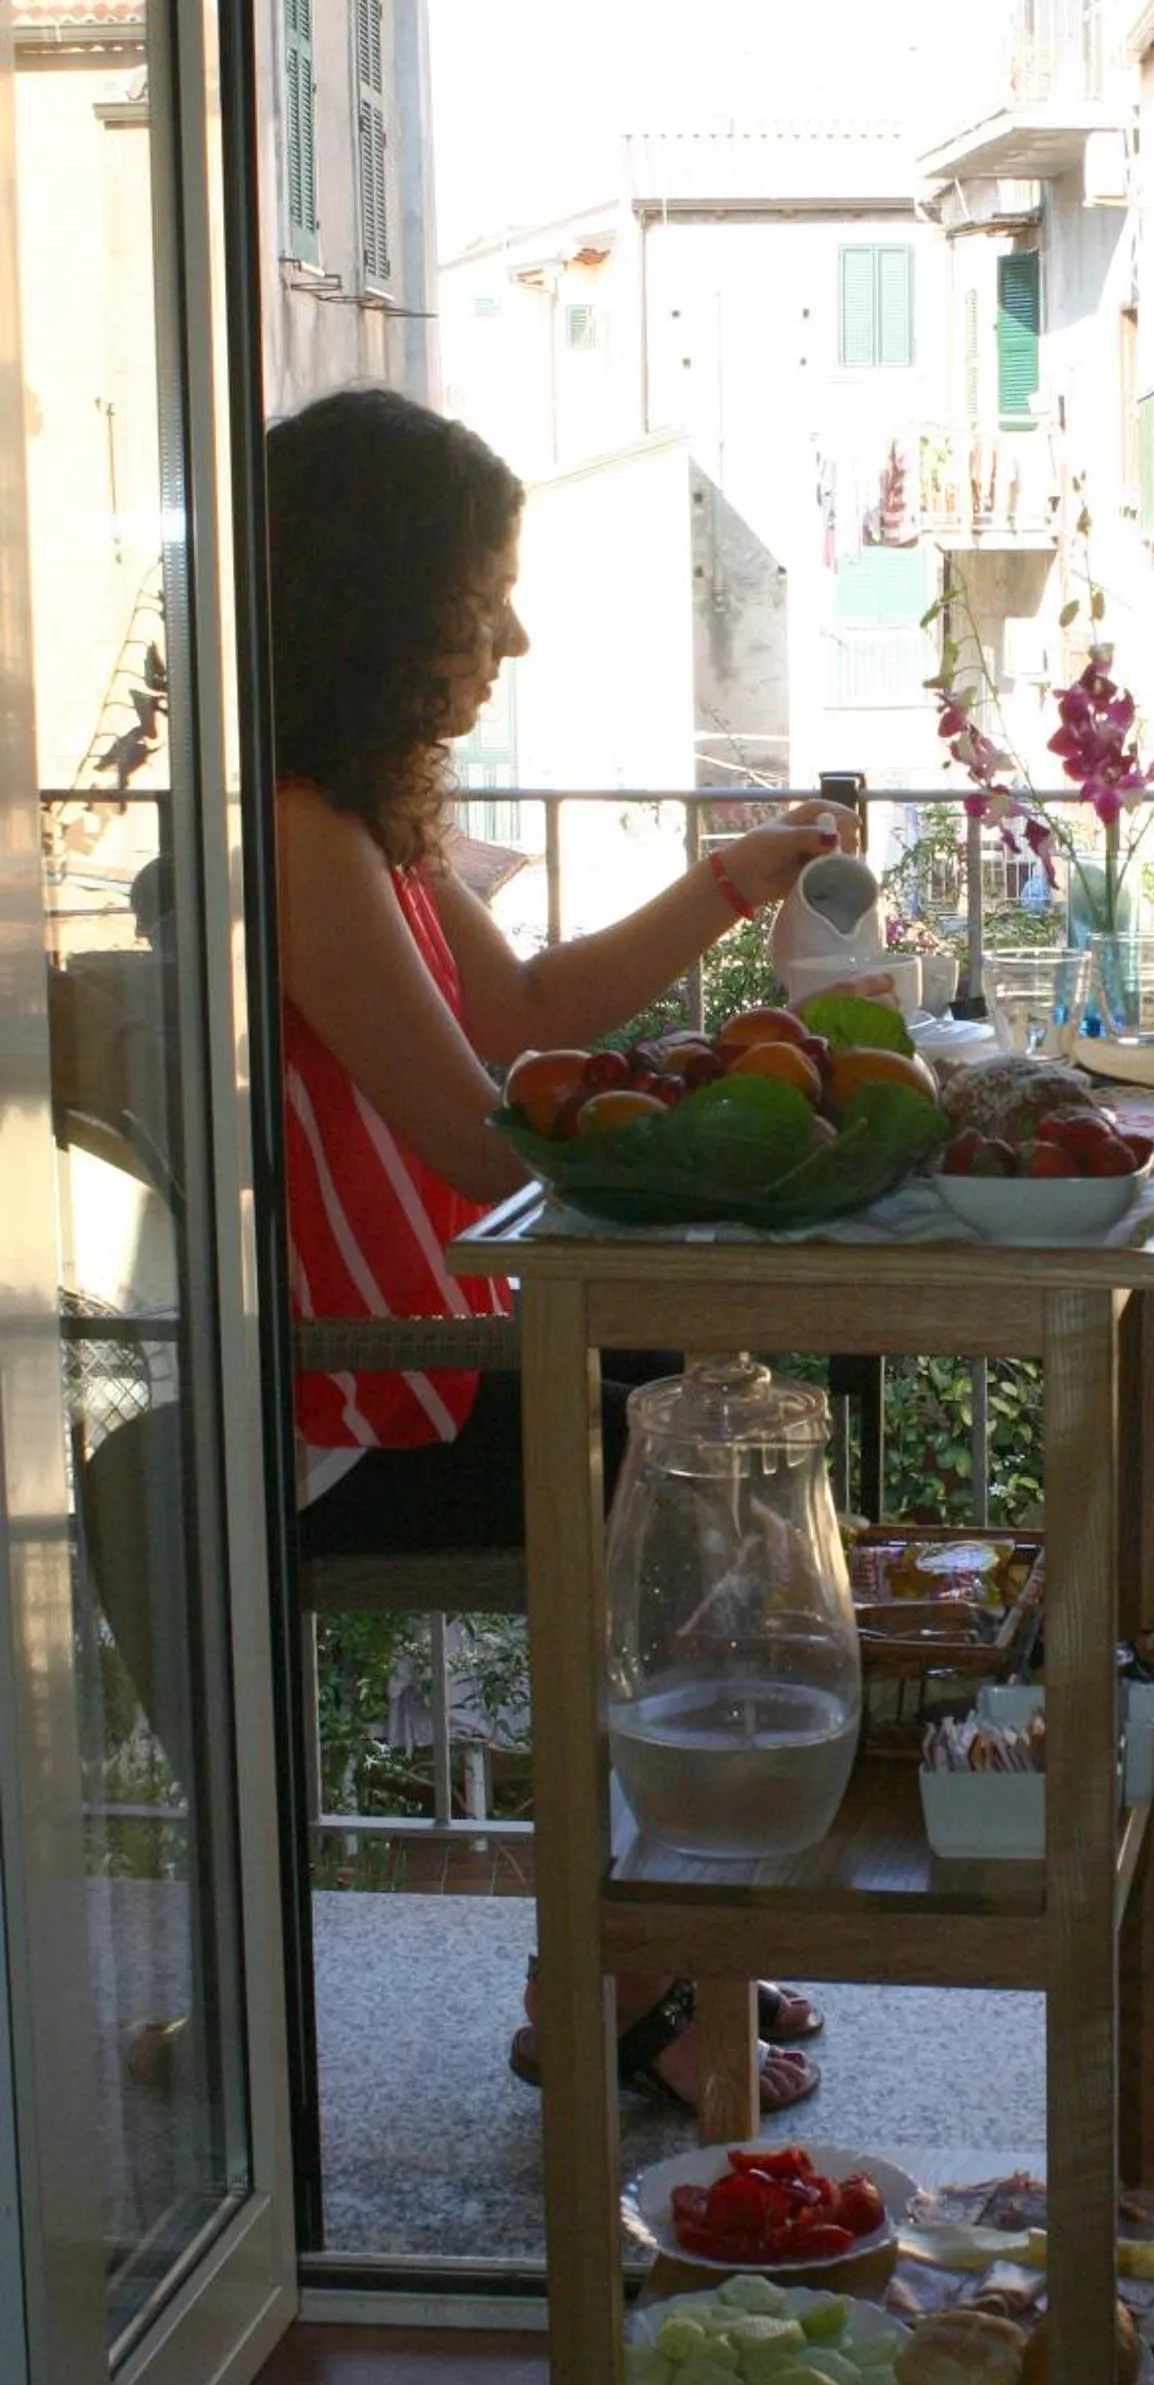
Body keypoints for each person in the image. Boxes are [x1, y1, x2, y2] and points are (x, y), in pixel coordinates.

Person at [270, 383, 840, 2113]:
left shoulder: (362, 818)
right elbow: (477, 1130)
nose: (509, 630)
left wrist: (734, 883)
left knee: (711, 1418)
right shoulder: (298, 834)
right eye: (482, 592)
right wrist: (713, 1145)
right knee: (704, 1441)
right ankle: (624, 1975)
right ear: (388, 600)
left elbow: (520, 1017)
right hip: (364, 1411)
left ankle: (645, 1948)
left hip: (441, 1365)